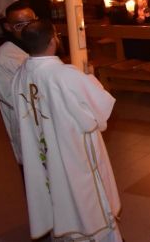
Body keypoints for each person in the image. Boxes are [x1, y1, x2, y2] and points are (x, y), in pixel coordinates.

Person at [13, 20, 121, 241]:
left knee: (58, 194)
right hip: (73, 152)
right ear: (53, 40)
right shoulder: (64, 75)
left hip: (44, 152)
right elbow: (100, 107)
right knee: (87, 203)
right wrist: (90, 77)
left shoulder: (19, 76)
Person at [0, 2, 35, 165]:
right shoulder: (4, 59)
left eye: (31, 22)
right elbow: (14, 100)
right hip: (27, 128)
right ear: (8, 27)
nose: (27, 28)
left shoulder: (36, 46)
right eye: (20, 25)